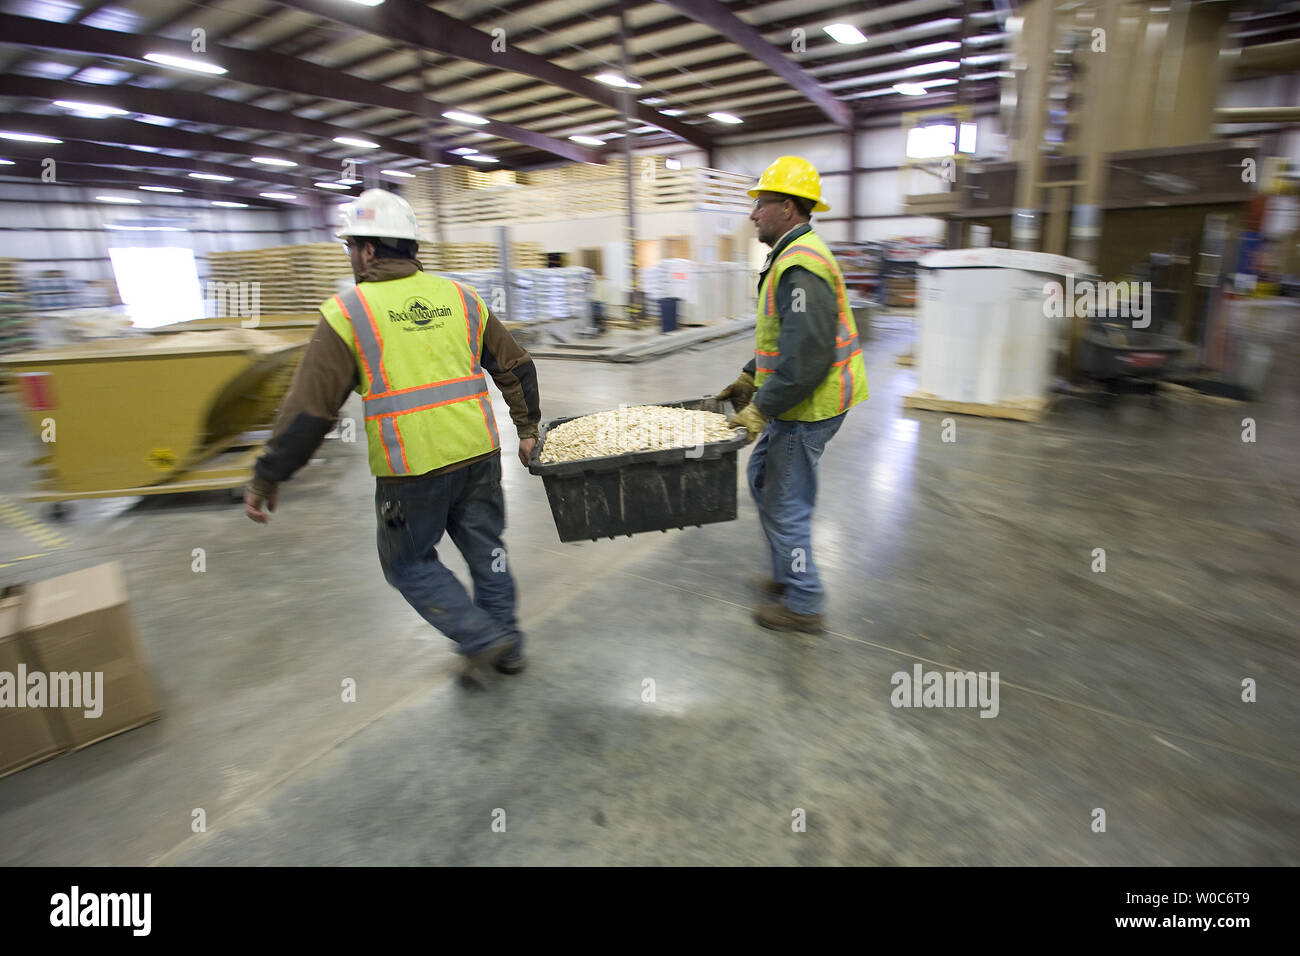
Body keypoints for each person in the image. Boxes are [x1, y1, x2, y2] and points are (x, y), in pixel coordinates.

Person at [244, 189, 541, 680]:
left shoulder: (348, 313)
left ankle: (484, 636)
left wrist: (267, 475)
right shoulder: (461, 297)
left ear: (367, 250)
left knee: (407, 565)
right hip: (480, 457)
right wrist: (527, 430)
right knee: (487, 550)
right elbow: (516, 365)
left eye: (351, 248)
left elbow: (308, 413)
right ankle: (508, 647)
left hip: (411, 473)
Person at [717, 156, 869, 633]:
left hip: (809, 405)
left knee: (785, 501)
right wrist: (748, 375)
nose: (752, 214)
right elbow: (783, 338)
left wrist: (759, 408)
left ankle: (804, 603)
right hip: (801, 399)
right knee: (766, 480)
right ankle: (789, 574)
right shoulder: (790, 255)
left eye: (760, 204)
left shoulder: (802, 265)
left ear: (786, 207)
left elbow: (805, 360)